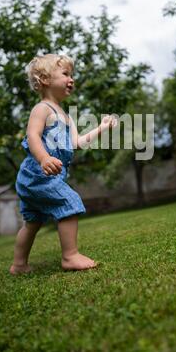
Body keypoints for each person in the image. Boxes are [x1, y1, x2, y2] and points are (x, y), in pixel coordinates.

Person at [10, 53, 117, 274]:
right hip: (39, 174)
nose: (72, 79)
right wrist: (44, 158)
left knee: (33, 222)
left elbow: (77, 143)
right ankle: (70, 257)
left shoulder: (66, 117)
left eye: (72, 75)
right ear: (45, 79)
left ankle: (18, 265)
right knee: (69, 202)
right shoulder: (42, 109)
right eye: (66, 74)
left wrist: (102, 128)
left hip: (43, 177)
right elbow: (32, 136)